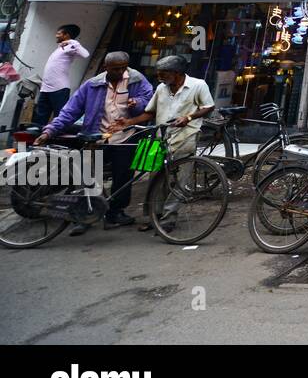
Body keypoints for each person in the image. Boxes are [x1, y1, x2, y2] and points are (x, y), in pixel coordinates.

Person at [34, 51, 154, 235]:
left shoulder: (137, 80)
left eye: (123, 68)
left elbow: (149, 103)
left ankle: (116, 212)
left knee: (123, 177)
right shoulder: (92, 85)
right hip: (97, 137)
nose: (120, 72)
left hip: (126, 137)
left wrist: (136, 102)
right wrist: (50, 130)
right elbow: (70, 111)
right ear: (105, 68)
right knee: (89, 177)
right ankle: (85, 216)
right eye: (116, 69)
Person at [143, 56, 215, 223]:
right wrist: (129, 122)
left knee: (180, 180)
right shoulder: (162, 88)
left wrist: (188, 118)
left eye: (163, 73)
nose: (159, 77)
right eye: (159, 74)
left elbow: (208, 106)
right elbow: (150, 111)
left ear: (177, 73)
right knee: (155, 177)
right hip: (161, 138)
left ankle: (168, 218)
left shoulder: (198, 85)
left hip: (186, 136)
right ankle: (154, 216)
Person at [34, 24, 90, 128]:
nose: (56, 35)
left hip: (59, 89)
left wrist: (72, 42)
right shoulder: (61, 48)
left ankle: (55, 141)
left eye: (59, 33)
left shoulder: (70, 46)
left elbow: (85, 54)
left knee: (60, 118)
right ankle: (35, 141)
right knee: (40, 119)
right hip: (45, 89)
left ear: (66, 35)